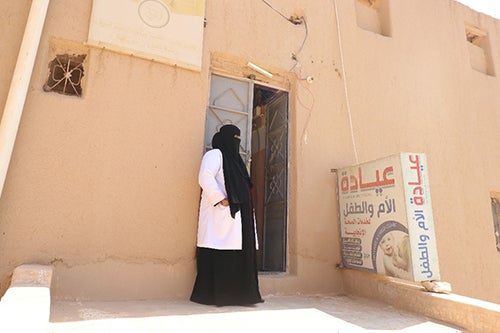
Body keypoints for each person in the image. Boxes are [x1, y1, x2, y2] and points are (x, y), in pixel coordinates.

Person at [190, 124, 263, 306]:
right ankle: (217, 296)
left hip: (240, 215)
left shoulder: (236, 160)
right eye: (233, 138)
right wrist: (220, 198)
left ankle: (242, 296)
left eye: (239, 138)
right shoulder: (215, 155)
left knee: (240, 251)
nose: (236, 142)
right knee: (222, 250)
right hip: (222, 212)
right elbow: (205, 176)